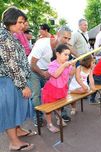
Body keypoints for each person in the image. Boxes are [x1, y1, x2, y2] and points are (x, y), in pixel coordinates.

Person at [0, 7, 35, 151]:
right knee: (9, 110)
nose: (22, 25)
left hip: (14, 79)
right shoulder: (3, 37)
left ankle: (18, 130)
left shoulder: (10, 34)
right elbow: (11, 65)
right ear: (10, 20)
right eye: (20, 22)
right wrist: (23, 86)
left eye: (23, 22)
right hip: (9, 80)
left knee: (16, 107)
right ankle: (14, 142)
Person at [28, 26, 72, 126]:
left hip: (49, 71)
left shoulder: (63, 47)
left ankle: (61, 115)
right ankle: (38, 117)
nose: (67, 41)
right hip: (34, 70)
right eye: (65, 38)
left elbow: (71, 51)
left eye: (69, 38)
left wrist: (84, 59)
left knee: (56, 92)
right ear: (57, 35)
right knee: (36, 95)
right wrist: (43, 74)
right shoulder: (43, 44)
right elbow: (32, 63)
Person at [42, 44, 75, 133]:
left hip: (62, 89)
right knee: (48, 108)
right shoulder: (52, 64)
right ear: (57, 54)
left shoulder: (67, 64)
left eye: (68, 55)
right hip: (51, 89)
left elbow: (71, 74)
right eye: (65, 54)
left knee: (59, 106)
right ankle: (49, 124)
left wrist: (74, 65)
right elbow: (56, 75)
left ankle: (58, 118)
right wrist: (64, 66)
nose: (67, 57)